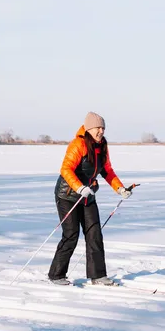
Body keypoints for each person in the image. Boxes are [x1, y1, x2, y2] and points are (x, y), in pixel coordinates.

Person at [48, 112, 132, 286]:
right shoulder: (78, 144)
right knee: (71, 234)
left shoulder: (102, 146)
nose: (101, 131)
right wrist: (79, 187)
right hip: (67, 196)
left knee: (94, 234)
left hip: (88, 197)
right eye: (97, 128)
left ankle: (98, 276)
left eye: (103, 128)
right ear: (88, 128)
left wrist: (120, 188)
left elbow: (107, 171)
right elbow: (66, 169)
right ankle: (56, 275)